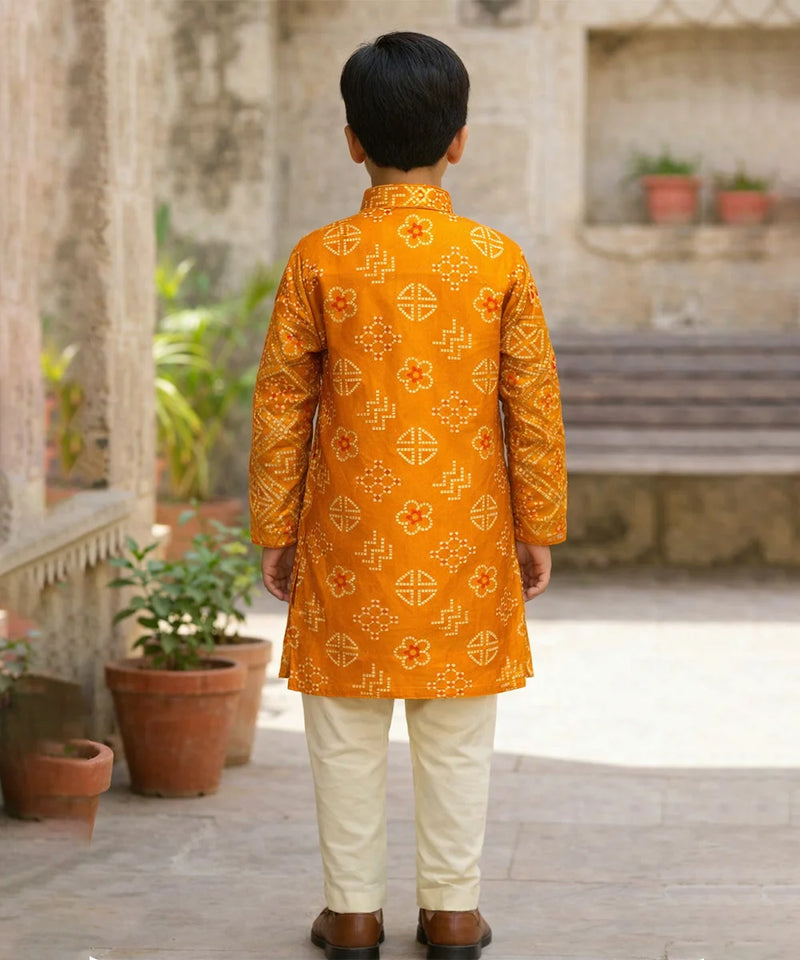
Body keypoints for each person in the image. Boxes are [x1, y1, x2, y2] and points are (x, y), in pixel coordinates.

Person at [249, 31, 567, 960]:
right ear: (459, 140)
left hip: (349, 532)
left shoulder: (320, 258)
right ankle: (454, 916)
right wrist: (536, 524)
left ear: (352, 139)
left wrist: (278, 527)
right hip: (466, 530)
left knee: (344, 725)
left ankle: (351, 916)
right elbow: (533, 405)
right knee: (458, 728)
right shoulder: (496, 259)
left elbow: (280, 404)